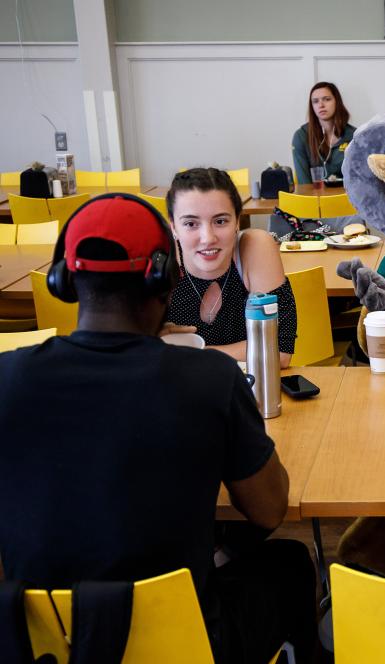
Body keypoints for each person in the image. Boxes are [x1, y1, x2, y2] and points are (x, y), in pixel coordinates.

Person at [0, 194, 317, 663]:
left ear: (63, 280)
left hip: (41, 641)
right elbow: (269, 510)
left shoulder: (6, 378)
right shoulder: (210, 379)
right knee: (289, 563)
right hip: (181, 639)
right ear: (166, 278)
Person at [163, 167, 297, 367]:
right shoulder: (161, 260)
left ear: (237, 221)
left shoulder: (253, 247)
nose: (208, 238)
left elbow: (279, 350)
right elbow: (136, 348)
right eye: (191, 224)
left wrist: (193, 354)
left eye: (220, 221)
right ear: (173, 227)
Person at [291, 81, 355, 184]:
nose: (321, 105)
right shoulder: (301, 136)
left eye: (327, 99)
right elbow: (304, 184)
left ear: (337, 102)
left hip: (345, 198)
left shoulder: (354, 136)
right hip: (314, 198)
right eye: (315, 101)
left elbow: (358, 179)